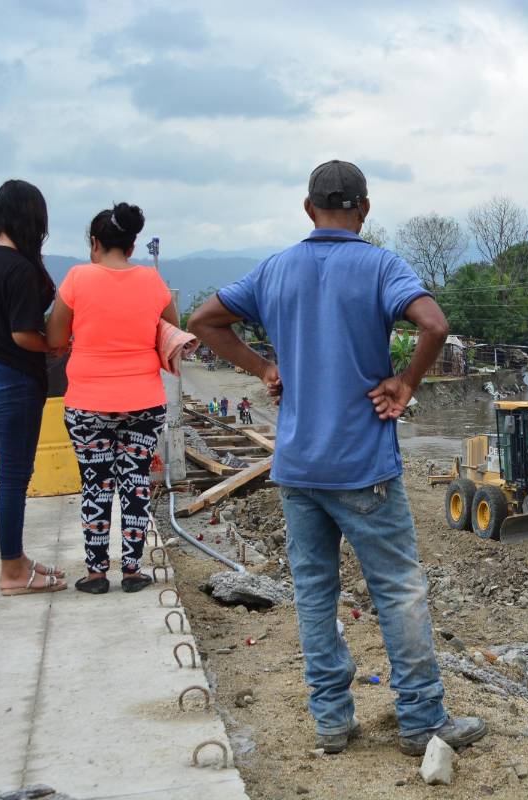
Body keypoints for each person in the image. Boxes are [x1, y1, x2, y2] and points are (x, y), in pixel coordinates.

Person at [188, 159, 485, 757]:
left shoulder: (275, 269)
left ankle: (331, 722)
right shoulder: (381, 266)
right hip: (363, 467)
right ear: (365, 209)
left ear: (308, 209)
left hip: (297, 468)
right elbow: (433, 324)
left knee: (314, 593)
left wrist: (264, 368)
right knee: (398, 590)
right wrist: (405, 383)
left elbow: (203, 321)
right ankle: (421, 721)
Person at [46, 203, 179, 594]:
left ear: (94, 242)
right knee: (135, 482)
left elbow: (55, 338)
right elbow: (171, 331)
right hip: (144, 400)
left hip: (88, 402)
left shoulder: (77, 278)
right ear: (132, 245)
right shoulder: (152, 281)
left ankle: (96, 574)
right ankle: (133, 571)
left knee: (95, 484)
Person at [0, 179, 66, 595]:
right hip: (12, 380)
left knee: (12, 472)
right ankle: (11, 572)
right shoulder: (19, 269)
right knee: (13, 477)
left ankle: (18, 559)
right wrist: (54, 347)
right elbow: (23, 334)